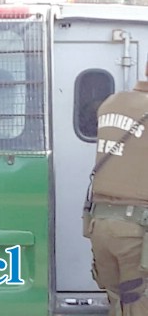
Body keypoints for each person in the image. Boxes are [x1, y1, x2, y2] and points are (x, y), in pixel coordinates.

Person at [87, 60, 148, 315]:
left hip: (100, 225)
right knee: (138, 301)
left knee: (117, 302)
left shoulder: (110, 103)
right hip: (136, 231)